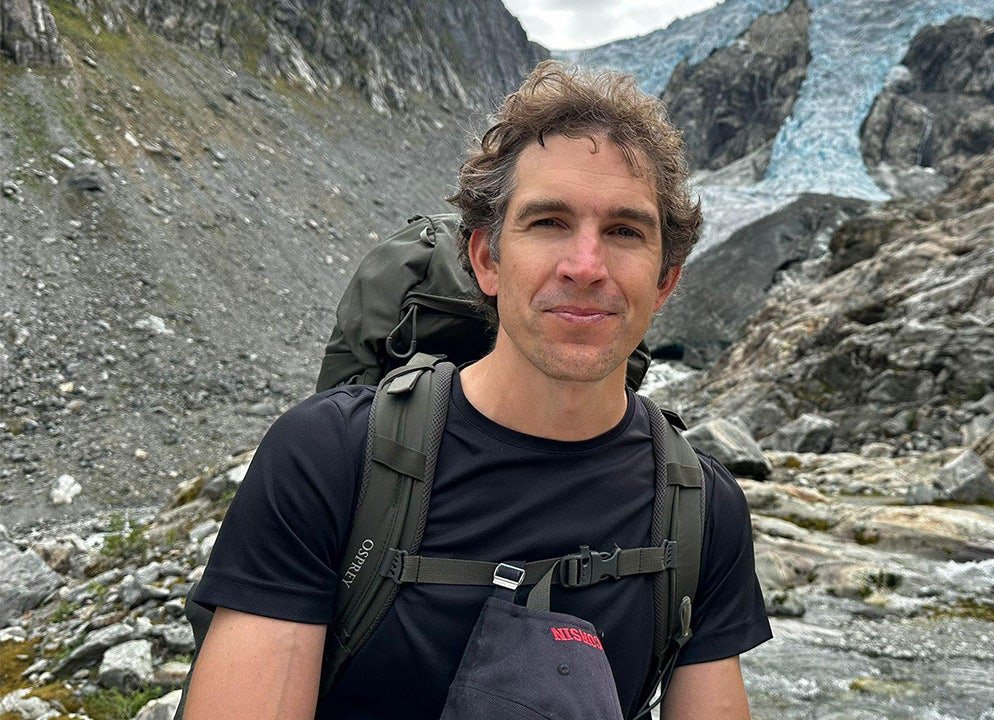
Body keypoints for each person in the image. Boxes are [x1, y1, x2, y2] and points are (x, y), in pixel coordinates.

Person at [182, 60, 771, 719]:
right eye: (548, 222)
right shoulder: (328, 458)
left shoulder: (703, 510)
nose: (585, 266)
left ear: (665, 281)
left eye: (624, 232)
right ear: (487, 259)